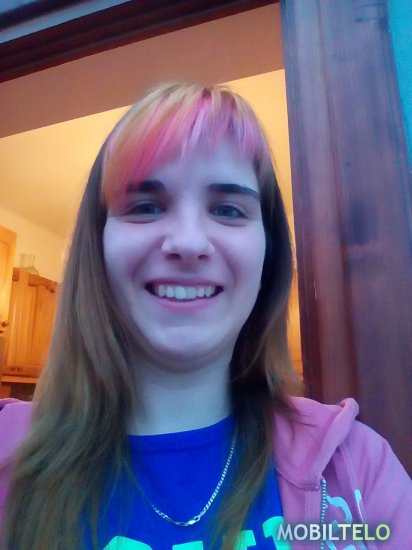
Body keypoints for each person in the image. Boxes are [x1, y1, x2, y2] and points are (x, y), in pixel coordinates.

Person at [0, 82, 411, 550]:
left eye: (228, 210)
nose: (189, 242)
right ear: (97, 248)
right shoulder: (7, 457)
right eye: (146, 207)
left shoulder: (357, 465)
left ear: (268, 254)